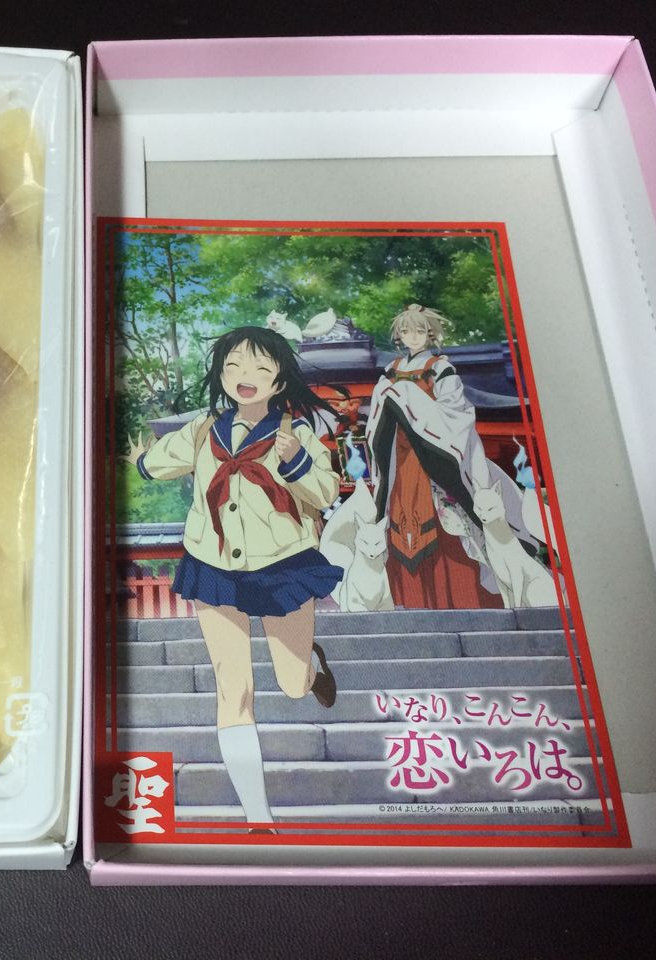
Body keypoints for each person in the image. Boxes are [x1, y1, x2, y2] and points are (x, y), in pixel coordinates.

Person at [125, 325, 342, 830]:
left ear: (279, 380)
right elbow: (156, 463)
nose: (246, 376)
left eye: (261, 367)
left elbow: (326, 492)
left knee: (291, 685)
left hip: (283, 565)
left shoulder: (296, 433)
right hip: (213, 564)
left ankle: (311, 668)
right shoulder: (202, 430)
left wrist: (293, 459)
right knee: (233, 688)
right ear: (221, 374)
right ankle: (258, 815)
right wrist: (139, 460)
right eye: (234, 366)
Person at [365, 304, 528, 609]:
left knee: (448, 526)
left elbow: (455, 414)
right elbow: (377, 415)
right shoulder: (391, 370)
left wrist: (408, 401)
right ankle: (410, 604)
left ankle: (462, 602)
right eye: (406, 331)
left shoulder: (441, 369)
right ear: (399, 335)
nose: (413, 336)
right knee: (397, 523)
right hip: (400, 462)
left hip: (434, 458)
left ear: (430, 333)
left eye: (419, 330)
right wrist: (393, 400)